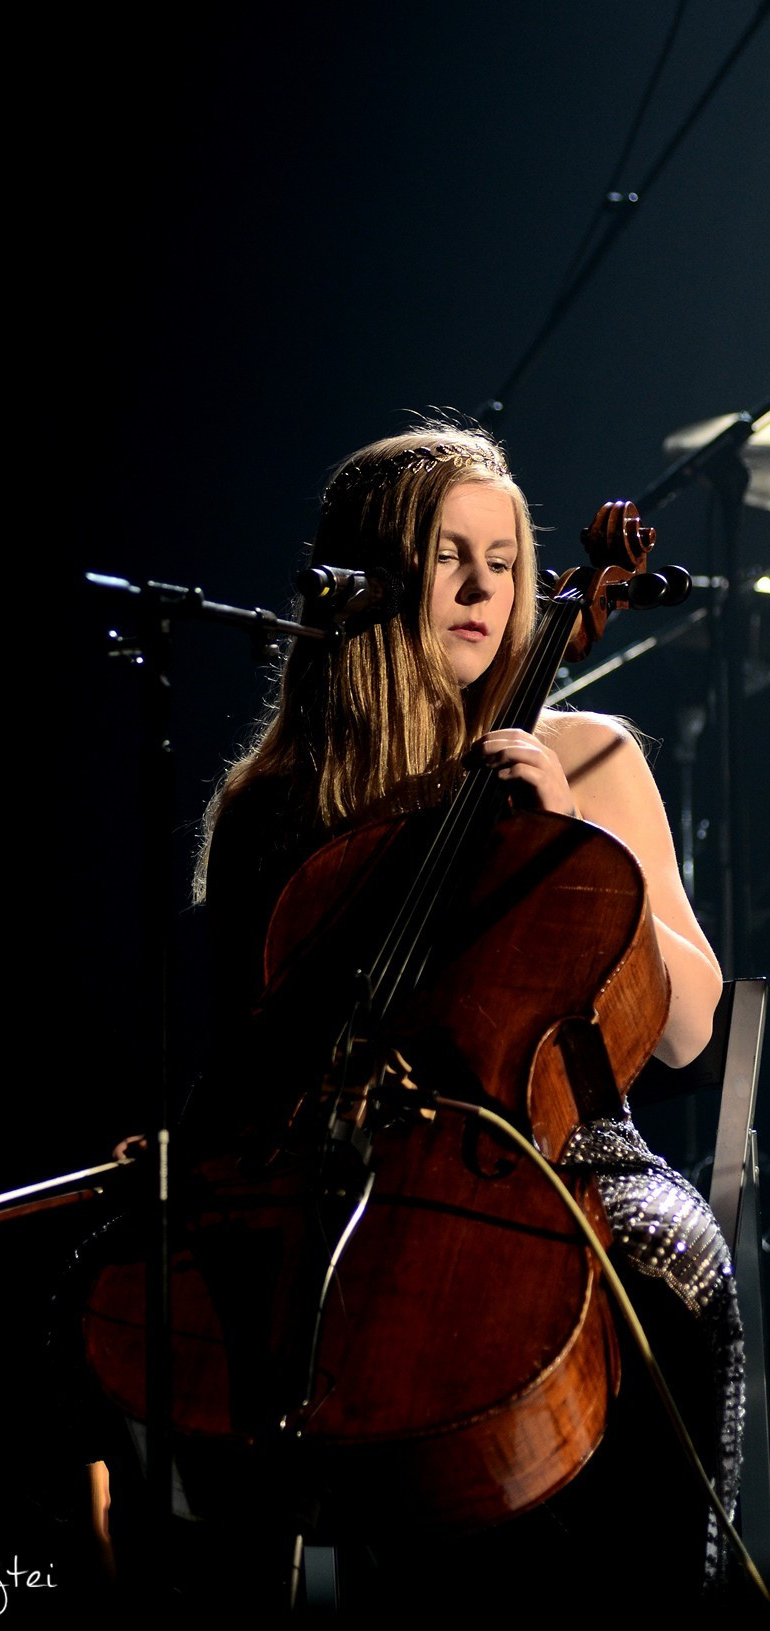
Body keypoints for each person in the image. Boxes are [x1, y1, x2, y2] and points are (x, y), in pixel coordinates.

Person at [164, 416, 749, 1615]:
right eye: (446, 555)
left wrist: (576, 849)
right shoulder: (284, 802)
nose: (486, 588)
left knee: (666, 1256)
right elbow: (246, 1056)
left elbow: (689, 1032)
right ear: (377, 577)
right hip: (355, 1189)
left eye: (505, 558)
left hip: (569, 1171)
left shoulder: (587, 757)